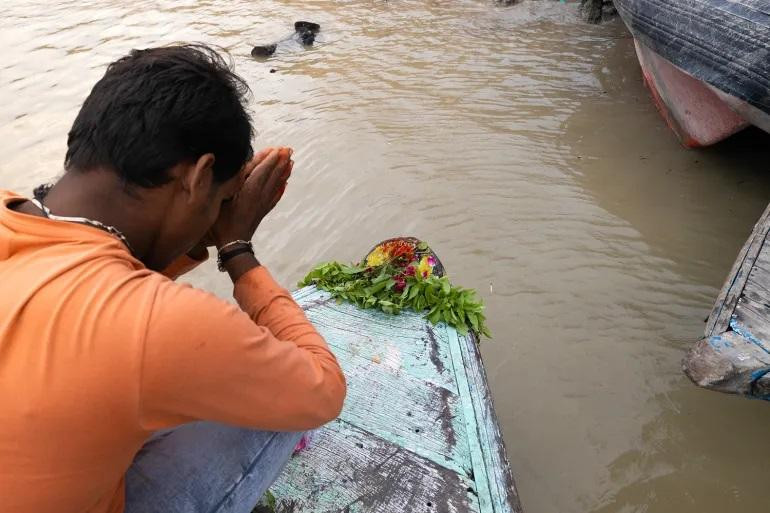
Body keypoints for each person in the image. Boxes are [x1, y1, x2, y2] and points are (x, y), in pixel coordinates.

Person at [0, 44, 346, 513]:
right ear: (199, 176)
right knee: (268, 409)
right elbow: (322, 390)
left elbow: (92, 279)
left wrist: (192, 228)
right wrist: (236, 249)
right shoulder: (155, 325)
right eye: (219, 197)